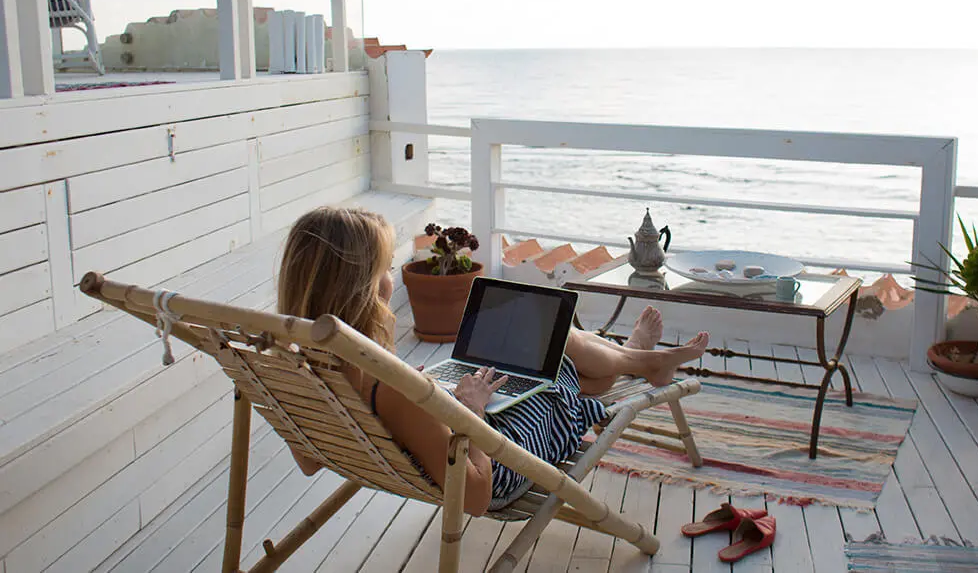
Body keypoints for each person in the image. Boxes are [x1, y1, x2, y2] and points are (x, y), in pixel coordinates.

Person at [277, 206, 709, 515]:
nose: (392, 280)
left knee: (534, 360)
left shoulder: (299, 369)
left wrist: (434, 401)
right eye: (386, 269)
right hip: (500, 464)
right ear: (364, 288)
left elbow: (311, 459)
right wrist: (468, 414)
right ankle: (640, 360)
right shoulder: (389, 386)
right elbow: (477, 497)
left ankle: (634, 357)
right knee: (551, 352)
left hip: (454, 431)